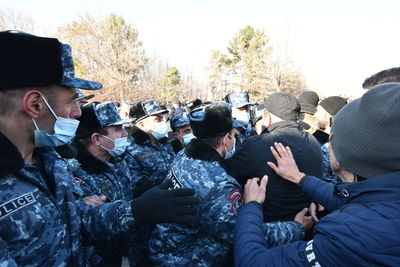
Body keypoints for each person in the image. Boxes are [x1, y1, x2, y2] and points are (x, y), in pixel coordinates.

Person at [0, 30, 198, 266]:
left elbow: (73, 225)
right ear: (35, 105)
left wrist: (135, 210)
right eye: (72, 101)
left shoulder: (46, 159)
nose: (76, 113)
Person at [234, 83, 400, 266]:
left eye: (334, 137)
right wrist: (300, 178)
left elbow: (252, 262)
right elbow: (352, 199)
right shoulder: (386, 196)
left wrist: (252, 206)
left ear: (350, 151)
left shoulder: (347, 235)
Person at [148, 103, 310, 266]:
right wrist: (296, 227)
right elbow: (243, 233)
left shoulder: (184, 155)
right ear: (227, 138)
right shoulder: (217, 184)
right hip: (187, 260)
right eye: (234, 135)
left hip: (165, 249)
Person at [226, 92, 323, 222]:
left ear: (268, 117)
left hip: (270, 229)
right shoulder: (313, 141)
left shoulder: (256, 145)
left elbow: (227, 175)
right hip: (308, 222)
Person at [125, 99, 175, 188]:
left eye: (163, 118)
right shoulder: (130, 150)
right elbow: (136, 185)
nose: (163, 122)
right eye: (157, 119)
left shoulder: (163, 142)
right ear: (142, 125)